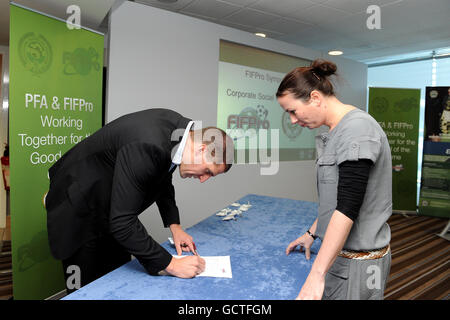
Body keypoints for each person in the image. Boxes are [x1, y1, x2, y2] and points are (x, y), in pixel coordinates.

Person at [45, 108, 234, 292]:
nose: (203, 179)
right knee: (84, 290)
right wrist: (172, 264)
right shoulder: (147, 144)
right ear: (202, 150)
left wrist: (174, 226)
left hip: (108, 206)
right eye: (208, 171)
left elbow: (162, 175)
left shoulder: (180, 134)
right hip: (77, 206)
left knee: (116, 277)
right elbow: (122, 223)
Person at [277, 59, 392, 300]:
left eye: (293, 111)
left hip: (358, 266)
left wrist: (315, 275)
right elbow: (335, 199)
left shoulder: (357, 129)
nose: (293, 121)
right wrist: (311, 234)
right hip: (341, 260)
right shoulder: (337, 130)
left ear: (316, 98)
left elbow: (348, 207)